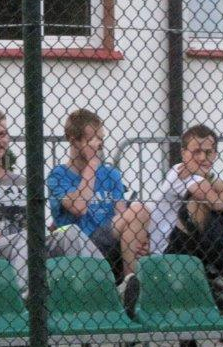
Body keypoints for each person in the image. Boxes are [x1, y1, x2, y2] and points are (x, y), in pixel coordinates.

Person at [0, 106, 104, 347]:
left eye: (2, 134)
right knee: (25, 238)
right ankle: (28, 299)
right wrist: (29, 240)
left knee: (71, 233)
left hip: (26, 248)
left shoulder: (21, 182)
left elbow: (36, 225)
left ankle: (105, 287)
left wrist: (44, 238)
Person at [152, 124, 223, 347]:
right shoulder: (180, 174)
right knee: (201, 207)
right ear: (184, 153)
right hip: (166, 253)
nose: (203, 157)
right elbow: (218, 201)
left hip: (191, 249)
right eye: (196, 152)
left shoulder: (204, 177)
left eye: (209, 152)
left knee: (215, 221)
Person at [47, 109, 152, 305]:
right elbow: (79, 207)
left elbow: (122, 215)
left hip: (109, 240)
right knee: (137, 211)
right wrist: (92, 164)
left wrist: (138, 240)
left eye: (101, 138)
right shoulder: (58, 175)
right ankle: (128, 287)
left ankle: (130, 286)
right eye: (92, 139)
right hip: (80, 243)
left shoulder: (111, 174)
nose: (98, 144)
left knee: (140, 210)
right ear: (73, 140)